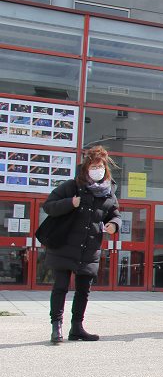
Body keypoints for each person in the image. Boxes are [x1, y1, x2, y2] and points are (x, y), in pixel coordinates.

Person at [43, 145, 121, 344]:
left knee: (83, 290)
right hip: (64, 245)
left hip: (90, 248)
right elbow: (49, 206)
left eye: (100, 166)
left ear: (105, 167)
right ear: (86, 168)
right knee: (60, 287)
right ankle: (56, 326)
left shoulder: (109, 192)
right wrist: (71, 203)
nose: (97, 170)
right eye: (93, 166)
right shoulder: (71, 186)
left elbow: (115, 214)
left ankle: (77, 327)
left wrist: (114, 224)